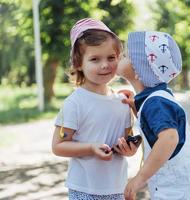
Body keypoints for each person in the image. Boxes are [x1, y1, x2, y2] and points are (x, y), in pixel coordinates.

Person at [117, 31, 190, 200]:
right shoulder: (156, 99)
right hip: (181, 189)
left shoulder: (156, 103)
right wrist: (135, 107)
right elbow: (154, 126)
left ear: (140, 69)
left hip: (179, 192)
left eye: (125, 55)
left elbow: (169, 138)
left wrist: (140, 178)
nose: (119, 56)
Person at [52, 18, 137, 200]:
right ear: (78, 63)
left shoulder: (123, 102)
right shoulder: (75, 103)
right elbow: (58, 146)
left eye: (111, 58)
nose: (105, 65)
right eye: (95, 59)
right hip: (84, 189)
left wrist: (129, 150)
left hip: (117, 188)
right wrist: (91, 148)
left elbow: (126, 142)